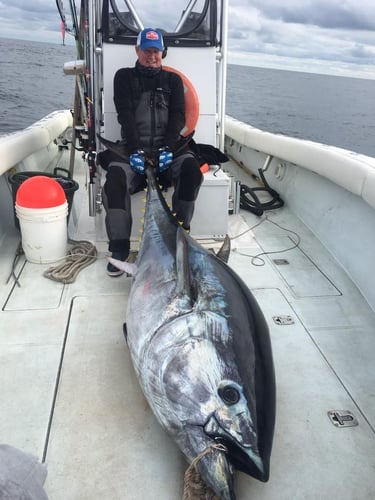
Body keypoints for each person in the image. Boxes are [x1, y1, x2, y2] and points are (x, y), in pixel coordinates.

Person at [101, 28, 203, 277]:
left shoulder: (173, 81)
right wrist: (136, 150)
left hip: (169, 149)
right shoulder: (123, 77)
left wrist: (168, 148)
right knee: (114, 182)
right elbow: (125, 115)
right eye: (147, 50)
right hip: (132, 149)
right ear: (137, 51)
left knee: (191, 171)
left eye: (156, 51)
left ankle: (180, 237)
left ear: (162, 53)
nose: (152, 56)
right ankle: (119, 250)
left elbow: (178, 116)